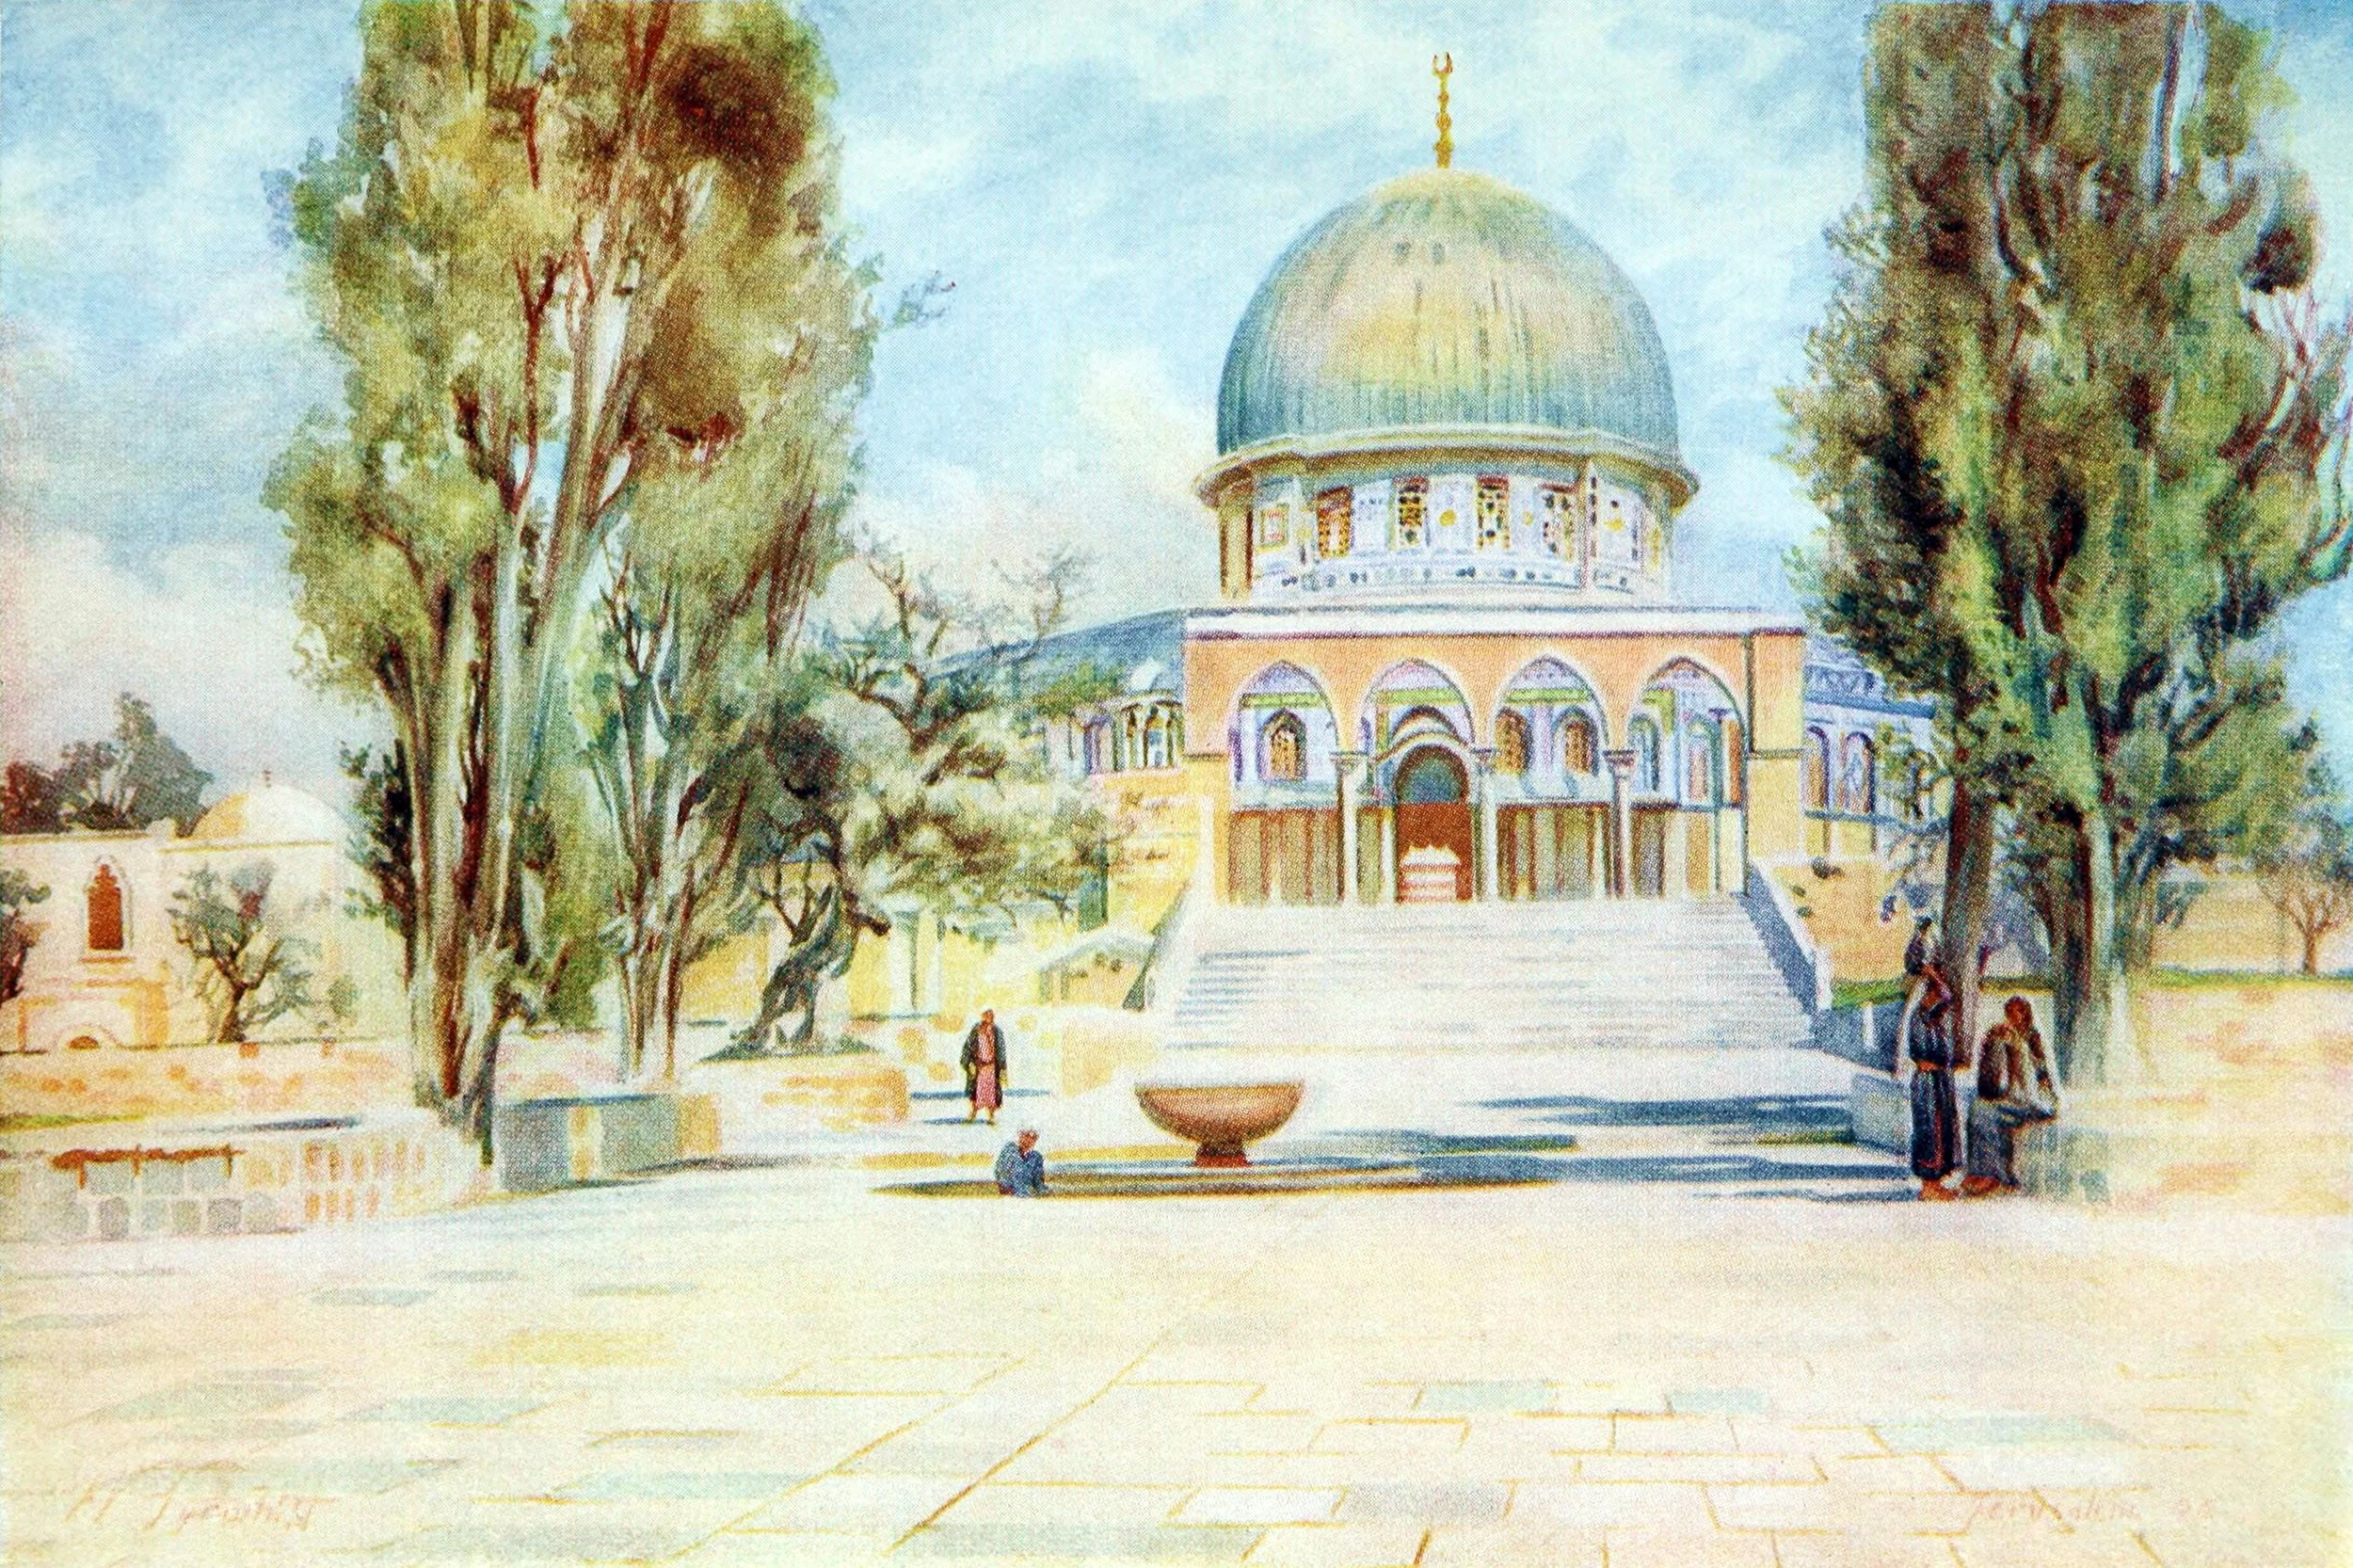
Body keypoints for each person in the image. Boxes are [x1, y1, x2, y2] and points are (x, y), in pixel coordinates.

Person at [1961, 996, 2060, 1195]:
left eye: (2015, 1013)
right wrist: (1990, 1042)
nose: (2010, 1018)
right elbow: (1995, 1078)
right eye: (2008, 1013)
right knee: (1977, 1107)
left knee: (1987, 1113)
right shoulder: (2010, 1036)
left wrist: (2015, 1048)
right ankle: (1978, 1171)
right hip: (2018, 1099)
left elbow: (2036, 1082)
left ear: (2025, 1014)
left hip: (2038, 1102)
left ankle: (1994, 1176)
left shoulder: (2033, 1039)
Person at [1900, 919, 1964, 1200]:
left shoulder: (1935, 1018)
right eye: (1934, 995)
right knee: (1930, 1130)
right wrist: (1931, 975)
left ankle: (1937, 1183)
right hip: (1928, 1081)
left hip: (1939, 1079)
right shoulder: (1921, 1018)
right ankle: (1929, 1187)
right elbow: (1922, 1057)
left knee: (1943, 1129)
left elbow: (1947, 997)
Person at [960, 1009, 1007, 1126]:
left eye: (991, 1016)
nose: (989, 1018)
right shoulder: (976, 1030)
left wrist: (1002, 1066)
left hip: (992, 1067)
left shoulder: (997, 1031)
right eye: (987, 1016)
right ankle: (973, 1114)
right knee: (976, 1092)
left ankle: (991, 1117)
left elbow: (1001, 1050)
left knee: (992, 1093)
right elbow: (968, 1046)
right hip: (979, 1067)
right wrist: (967, 1062)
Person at [995, 1128, 1047, 1196]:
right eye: (1026, 1135)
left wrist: (1041, 1191)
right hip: (1011, 1194)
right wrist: (1008, 1191)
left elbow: (1038, 1181)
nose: (1028, 1140)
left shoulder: (1037, 1157)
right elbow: (1001, 1173)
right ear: (1019, 1136)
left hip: (1030, 1194)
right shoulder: (1009, 1151)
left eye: (1033, 1137)